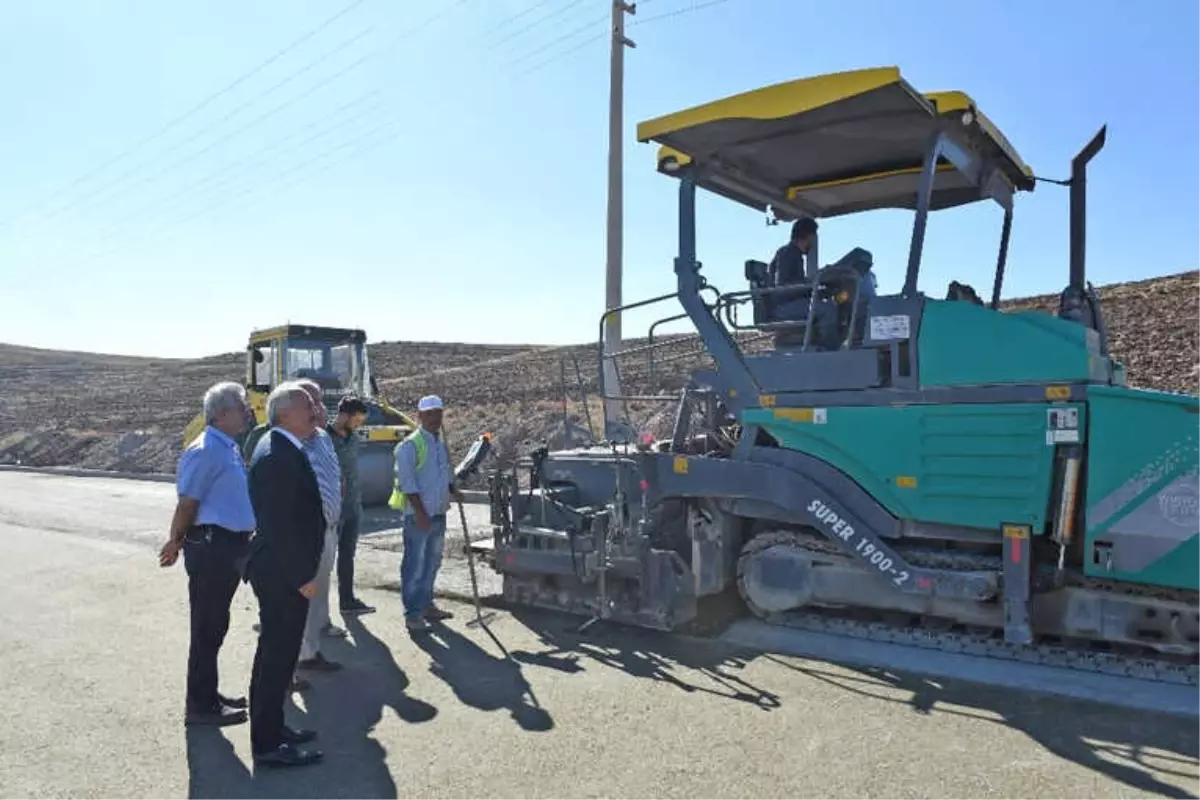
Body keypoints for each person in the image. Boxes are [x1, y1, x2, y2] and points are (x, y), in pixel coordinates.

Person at [159, 381, 256, 727]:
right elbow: (188, 502)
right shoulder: (205, 450)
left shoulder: (225, 446)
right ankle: (200, 707)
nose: (248, 412)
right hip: (212, 546)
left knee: (215, 625)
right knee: (207, 627)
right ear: (222, 414)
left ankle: (207, 694)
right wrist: (175, 540)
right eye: (242, 406)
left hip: (227, 546)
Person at [244, 381, 324, 768]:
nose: (314, 409)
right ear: (285, 413)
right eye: (307, 403)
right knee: (276, 658)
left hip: (280, 570)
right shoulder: (276, 455)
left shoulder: (283, 446)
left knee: (276, 656)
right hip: (281, 573)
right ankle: (267, 744)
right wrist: (301, 577)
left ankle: (273, 728)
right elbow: (278, 527)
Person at [390, 394, 460, 633]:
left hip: (439, 513)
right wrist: (420, 513)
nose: (435, 419)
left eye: (438, 413)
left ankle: (427, 604)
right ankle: (412, 614)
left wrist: (453, 489)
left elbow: (445, 474)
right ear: (419, 416)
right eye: (430, 414)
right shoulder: (409, 446)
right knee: (415, 565)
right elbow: (408, 483)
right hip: (418, 516)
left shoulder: (440, 443)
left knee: (432, 562)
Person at [294, 379, 346, 671]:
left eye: (319, 401)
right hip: (307, 535)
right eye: (311, 402)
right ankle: (301, 655)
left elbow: (333, 471)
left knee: (319, 592)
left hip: (329, 528)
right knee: (304, 596)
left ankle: (311, 648)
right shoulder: (292, 442)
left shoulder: (323, 438)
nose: (318, 408)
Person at [327, 395, 375, 616]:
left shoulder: (354, 439)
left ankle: (347, 600)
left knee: (348, 554)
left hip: (353, 506)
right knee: (324, 558)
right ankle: (317, 609)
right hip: (331, 508)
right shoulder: (323, 438)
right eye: (356, 419)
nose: (359, 424)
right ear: (344, 415)